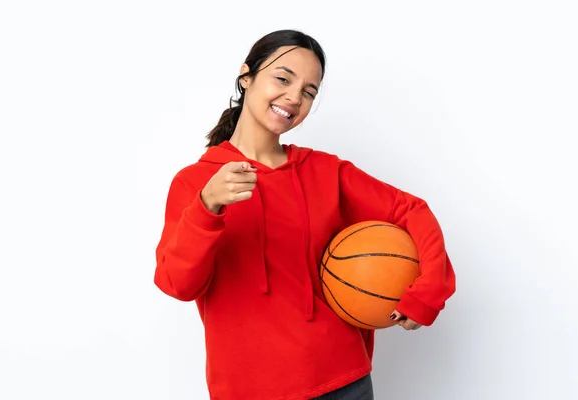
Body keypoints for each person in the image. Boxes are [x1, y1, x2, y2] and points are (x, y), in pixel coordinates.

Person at [154, 29, 456, 400]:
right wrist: (207, 207)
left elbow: (411, 210)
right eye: (283, 78)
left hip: (344, 381)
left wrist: (428, 292)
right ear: (246, 76)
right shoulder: (197, 182)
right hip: (248, 389)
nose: (294, 97)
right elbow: (177, 284)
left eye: (309, 91)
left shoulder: (326, 171)